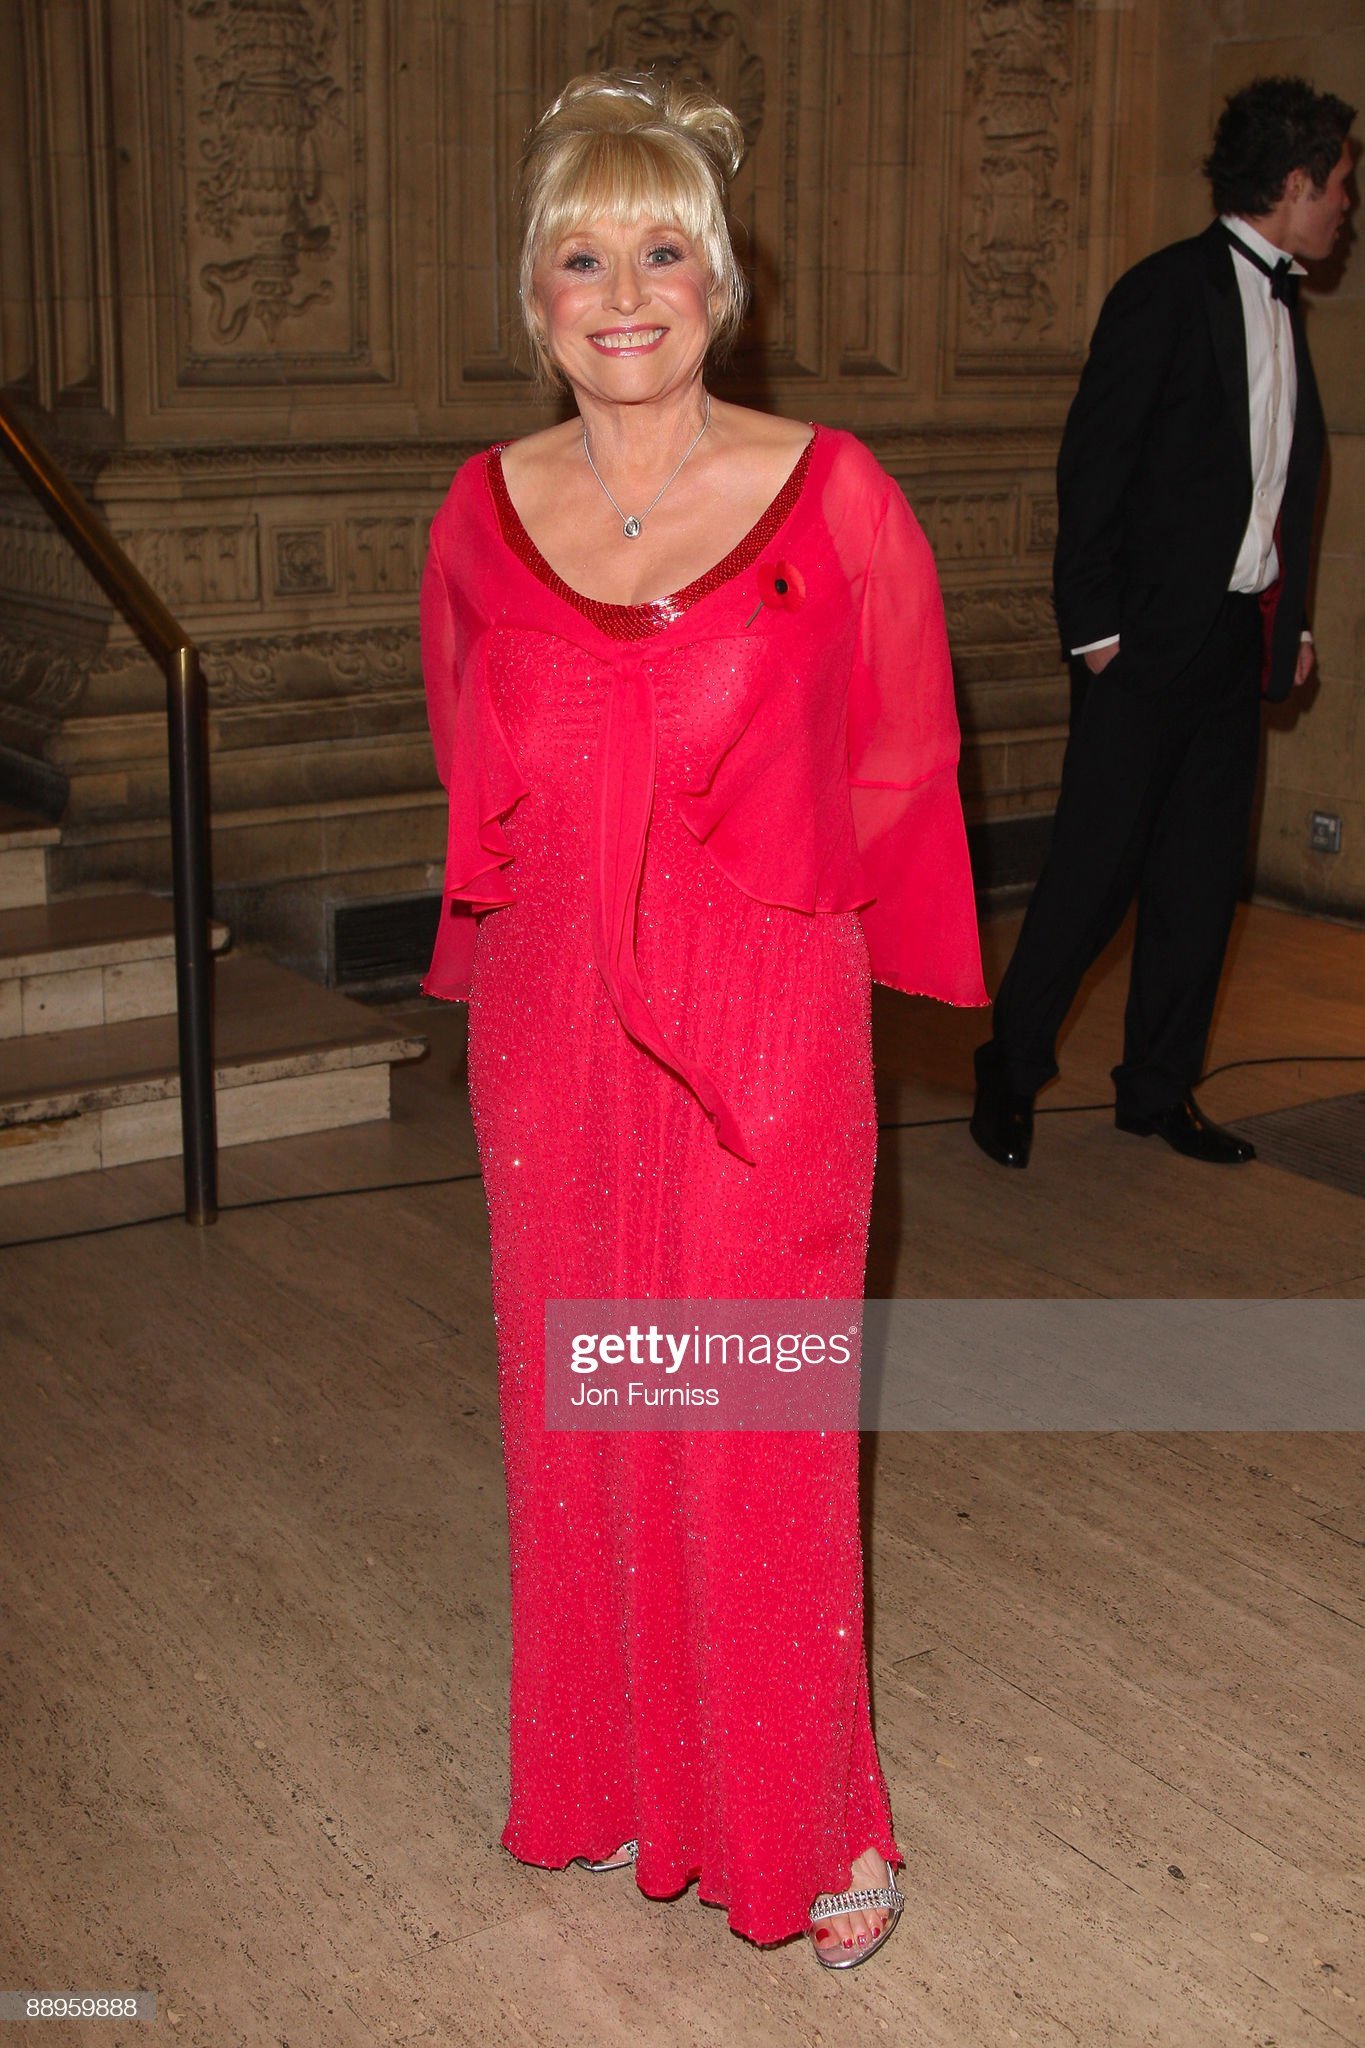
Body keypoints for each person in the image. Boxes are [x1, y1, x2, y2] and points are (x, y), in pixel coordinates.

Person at [419, 70, 986, 1965]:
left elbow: (904, 757)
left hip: (762, 1031)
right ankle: (609, 1776)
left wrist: (864, 1005)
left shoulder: (836, 492)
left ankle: (816, 1818)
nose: (624, 293)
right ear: (534, 294)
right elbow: (467, 768)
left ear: (722, 282)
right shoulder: (481, 512)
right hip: (550, 1031)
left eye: (662, 249)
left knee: (747, 1423)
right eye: (582, 256)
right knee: (585, 1412)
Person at [971, 76, 1356, 1171]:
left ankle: (1157, 1087)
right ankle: (1010, 1065)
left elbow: (1274, 485)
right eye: (1339, 184)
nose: (1346, 207)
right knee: (1092, 874)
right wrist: (1095, 632)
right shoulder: (1164, 290)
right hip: (1140, 647)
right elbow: (1092, 470)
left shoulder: (1285, 306)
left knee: (1198, 879)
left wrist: (1288, 619)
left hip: (1234, 643)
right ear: (1294, 183)